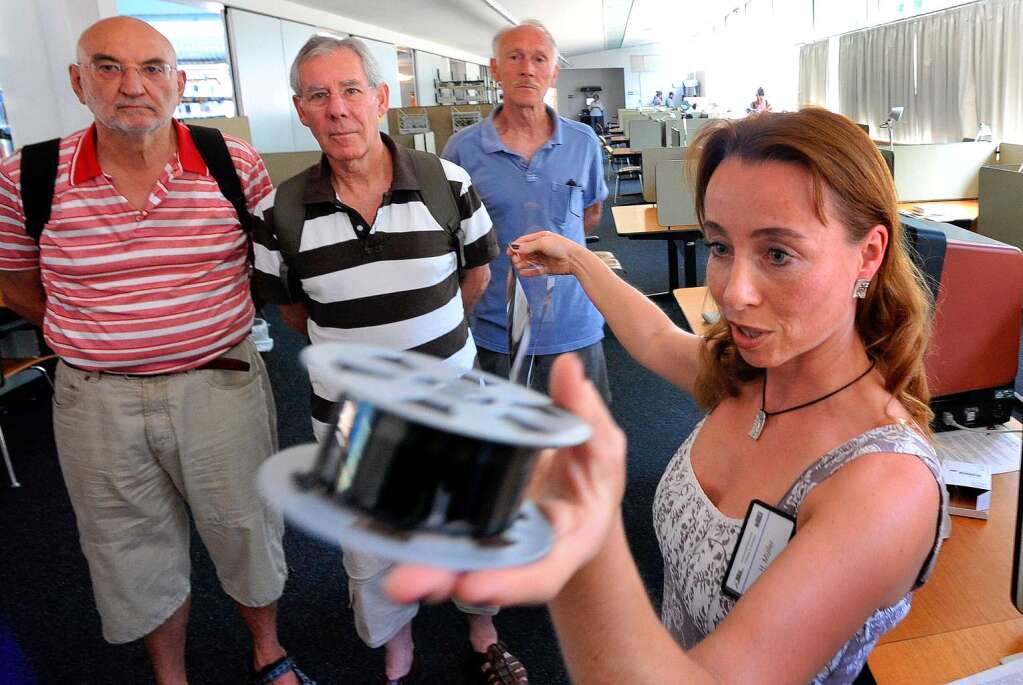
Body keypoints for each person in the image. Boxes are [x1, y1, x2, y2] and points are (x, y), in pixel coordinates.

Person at [388, 108, 947, 684]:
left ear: (869, 255)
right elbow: (657, 339)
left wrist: (580, 524)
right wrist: (577, 259)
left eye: (778, 254)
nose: (733, 293)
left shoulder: (884, 486)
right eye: (721, 247)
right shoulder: (756, 375)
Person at [0, 16, 310, 685]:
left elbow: (268, 265)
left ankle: (267, 650)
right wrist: (99, 331)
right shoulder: (25, 177)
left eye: (151, 69)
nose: (131, 86)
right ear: (78, 81)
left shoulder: (232, 162)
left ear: (180, 82)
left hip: (220, 383)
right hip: (97, 398)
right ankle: (170, 673)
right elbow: (16, 282)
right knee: (126, 545)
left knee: (245, 526)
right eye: (108, 67)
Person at [249, 35, 526, 685]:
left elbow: (475, 278)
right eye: (319, 95)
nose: (337, 108)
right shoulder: (278, 211)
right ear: (301, 109)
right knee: (370, 543)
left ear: (379, 99)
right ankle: (395, 643)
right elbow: (296, 314)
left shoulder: (445, 180)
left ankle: (483, 630)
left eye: (350, 90)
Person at [443, 20, 611, 404]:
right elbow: (454, 238)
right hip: (498, 330)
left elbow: (591, 213)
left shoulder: (582, 141)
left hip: (575, 323)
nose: (527, 69)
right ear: (496, 69)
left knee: (582, 447)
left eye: (539, 59)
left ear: (553, 72)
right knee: (507, 455)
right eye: (515, 57)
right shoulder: (462, 150)